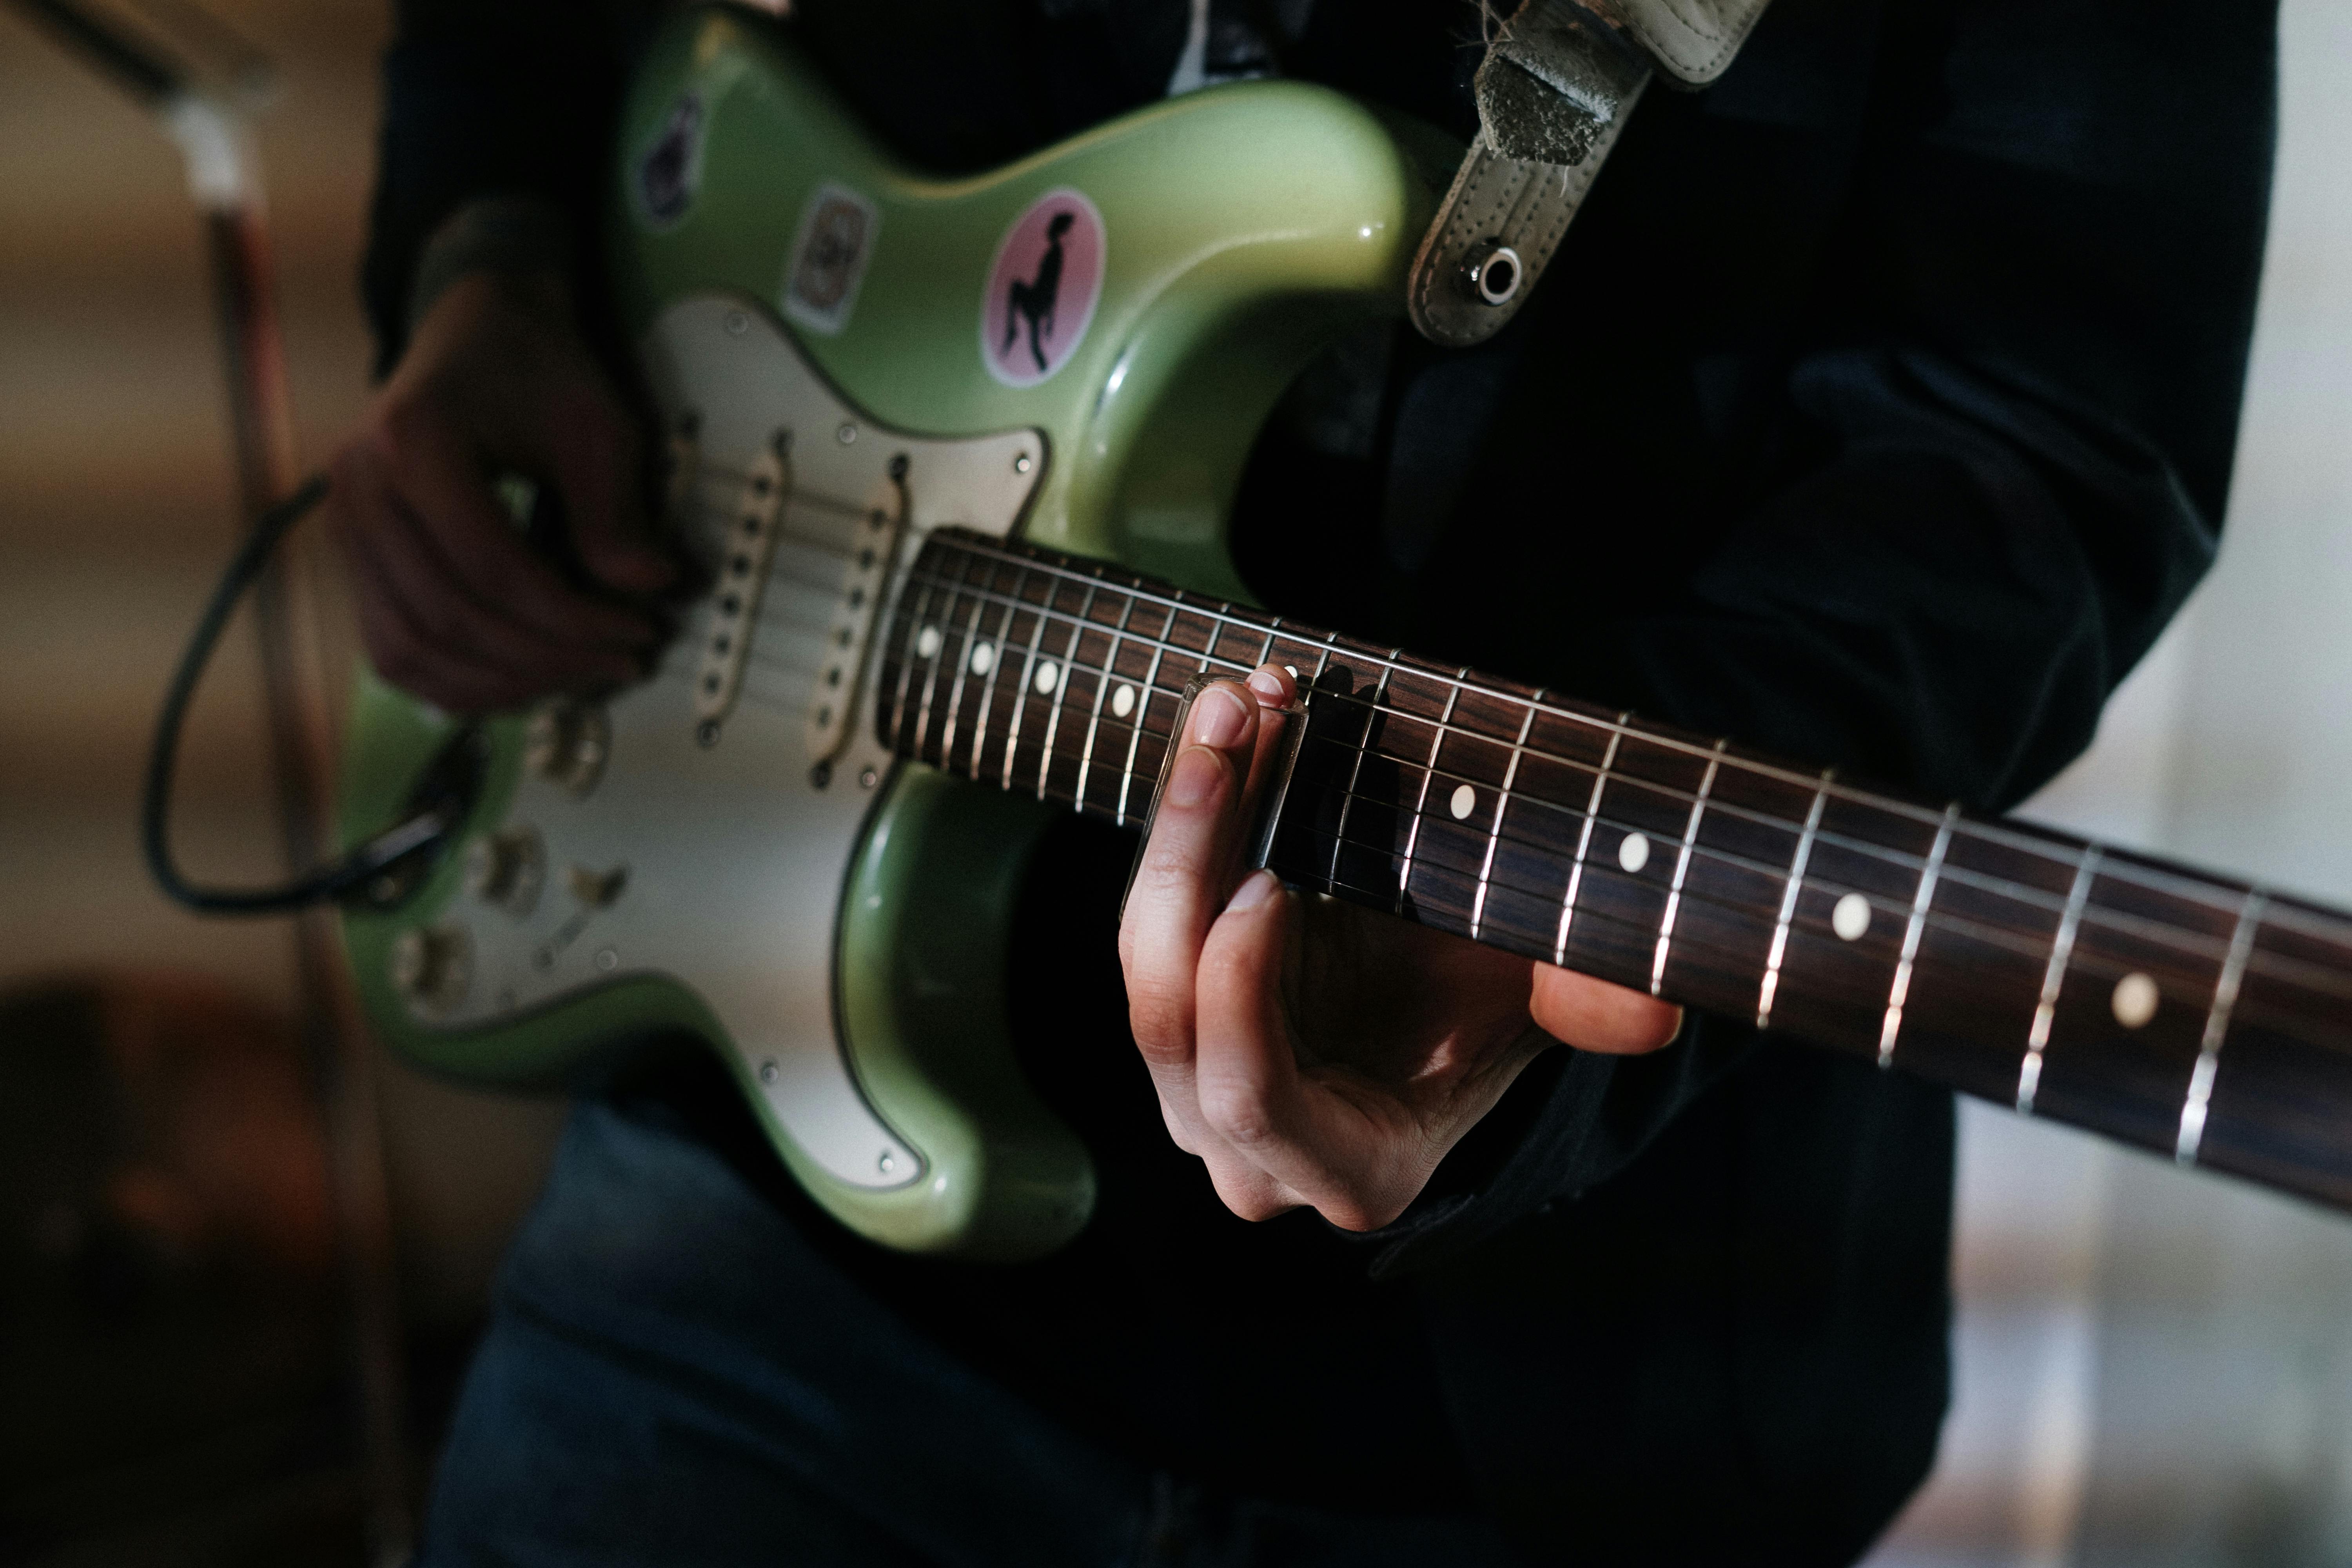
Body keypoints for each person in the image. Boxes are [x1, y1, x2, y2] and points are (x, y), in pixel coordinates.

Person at [330, 1, 2277, 1561]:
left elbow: (2039, 443)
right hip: (752, 1258)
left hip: (1559, 1406)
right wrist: (479, 254)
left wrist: (1524, 978)